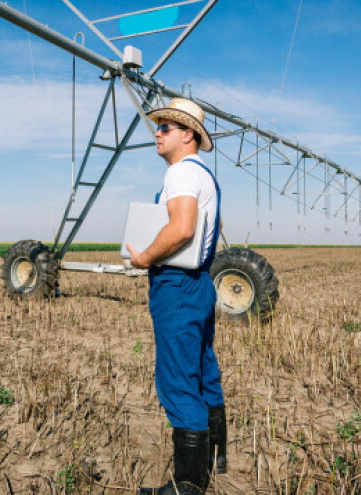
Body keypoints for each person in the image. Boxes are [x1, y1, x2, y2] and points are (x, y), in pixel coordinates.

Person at [126, 98, 227, 495]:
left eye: (165, 127)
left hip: (177, 285)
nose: (158, 132)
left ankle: (188, 486)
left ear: (188, 135)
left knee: (177, 381)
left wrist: (144, 257)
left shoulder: (180, 173)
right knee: (203, 371)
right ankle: (214, 459)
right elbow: (209, 227)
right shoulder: (203, 175)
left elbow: (183, 228)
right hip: (199, 282)